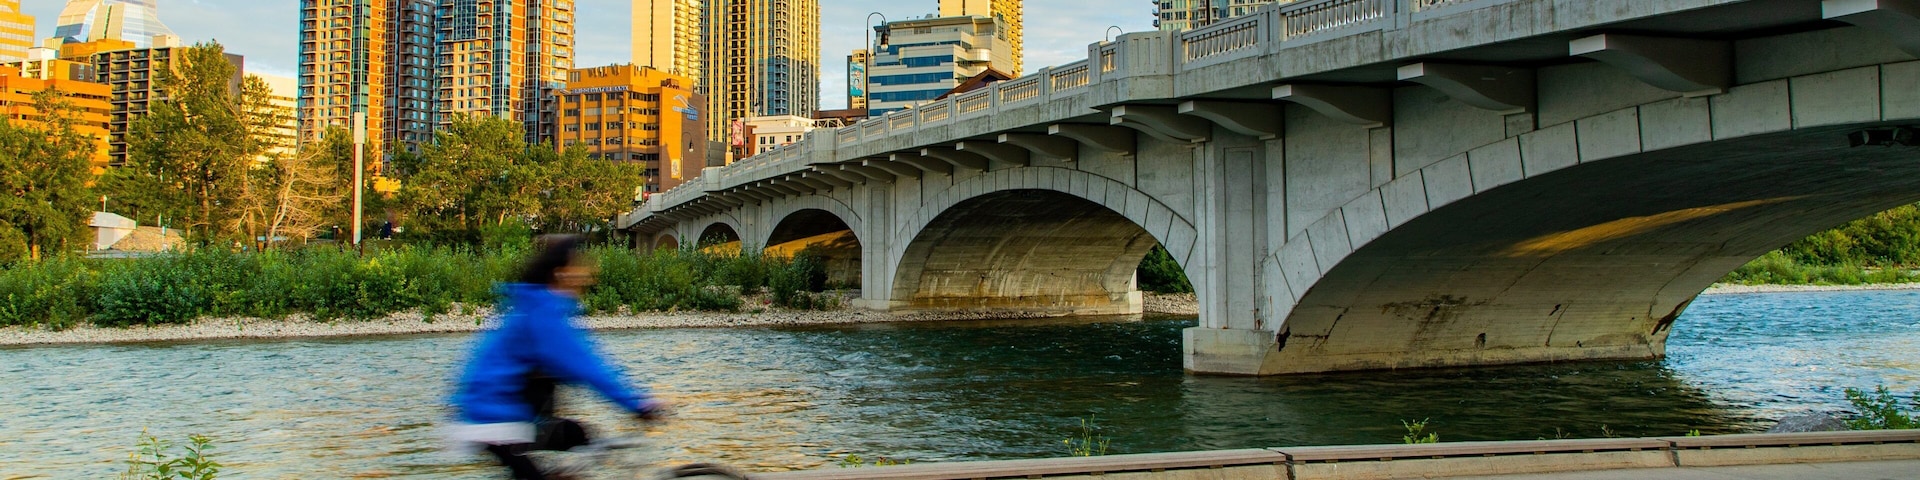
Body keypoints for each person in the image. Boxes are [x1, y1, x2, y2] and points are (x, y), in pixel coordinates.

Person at [447, 235, 667, 479]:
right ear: (561, 273)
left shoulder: (533, 305)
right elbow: (587, 367)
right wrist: (638, 404)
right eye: (580, 266)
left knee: (577, 436)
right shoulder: (544, 314)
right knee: (575, 438)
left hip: (493, 413)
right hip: (494, 419)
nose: (588, 276)